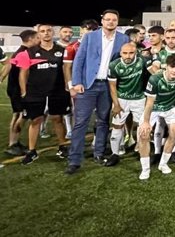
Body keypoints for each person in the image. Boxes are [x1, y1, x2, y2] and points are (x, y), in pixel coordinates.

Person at [67, 9, 130, 174]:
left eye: (114, 20)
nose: (110, 22)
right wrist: (77, 82)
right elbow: (79, 60)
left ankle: (99, 153)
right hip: (88, 85)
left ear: (117, 22)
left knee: (103, 121)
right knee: (81, 122)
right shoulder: (90, 37)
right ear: (102, 21)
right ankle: (74, 160)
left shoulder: (123, 39)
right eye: (107, 19)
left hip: (108, 86)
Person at [18, 24, 71, 165]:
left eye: (48, 31)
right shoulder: (29, 52)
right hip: (35, 93)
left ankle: (62, 146)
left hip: (58, 91)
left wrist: (68, 87)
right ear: (38, 34)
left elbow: (67, 70)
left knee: (57, 119)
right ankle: (32, 151)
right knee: (35, 120)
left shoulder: (62, 50)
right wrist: (23, 91)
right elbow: (23, 73)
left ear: (53, 33)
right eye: (42, 31)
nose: (46, 33)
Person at [137, 53, 175, 180]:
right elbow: (149, 103)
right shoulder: (155, 79)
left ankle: (163, 164)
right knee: (143, 133)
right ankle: (145, 169)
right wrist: (146, 122)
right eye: (172, 67)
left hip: (170, 107)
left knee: (174, 132)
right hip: (153, 108)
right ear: (166, 67)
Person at [105, 42, 150, 167]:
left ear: (136, 53)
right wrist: (116, 104)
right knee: (117, 126)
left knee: (142, 126)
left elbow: (154, 71)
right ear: (120, 53)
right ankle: (115, 154)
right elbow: (112, 87)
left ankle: (142, 150)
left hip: (139, 98)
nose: (128, 56)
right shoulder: (114, 65)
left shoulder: (143, 61)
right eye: (125, 53)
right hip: (121, 99)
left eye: (131, 53)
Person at [3, 30, 39, 156]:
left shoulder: (21, 51)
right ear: (30, 39)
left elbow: (8, 66)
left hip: (15, 89)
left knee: (20, 115)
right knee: (18, 116)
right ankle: (12, 144)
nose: (38, 40)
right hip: (17, 90)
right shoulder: (23, 53)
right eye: (37, 38)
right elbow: (21, 74)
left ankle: (15, 142)